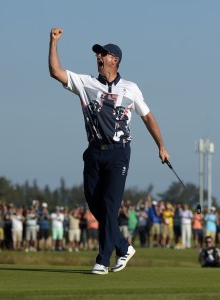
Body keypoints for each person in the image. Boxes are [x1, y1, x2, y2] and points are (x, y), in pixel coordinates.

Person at [48, 28, 170, 275]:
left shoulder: (130, 88)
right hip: (93, 152)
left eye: (103, 54)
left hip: (119, 153)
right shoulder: (86, 83)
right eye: (98, 54)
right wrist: (53, 43)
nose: (98, 57)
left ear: (115, 60)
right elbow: (55, 71)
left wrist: (161, 146)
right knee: (95, 204)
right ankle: (124, 247)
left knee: (110, 204)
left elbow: (147, 117)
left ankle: (102, 260)